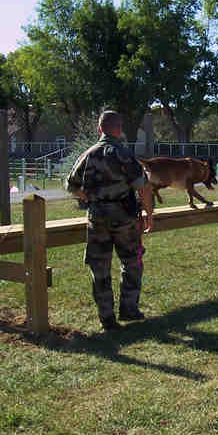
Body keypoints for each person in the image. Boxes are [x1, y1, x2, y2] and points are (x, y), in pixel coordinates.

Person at [65, 111, 153, 331]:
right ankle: (129, 309)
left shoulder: (89, 154)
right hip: (125, 218)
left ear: (99, 129)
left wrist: (93, 198)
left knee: (100, 268)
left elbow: (71, 186)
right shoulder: (125, 154)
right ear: (119, 129)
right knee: (132, 261)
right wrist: (148, 214)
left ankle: (107, 318)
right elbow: (142, 186)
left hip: (98, 219)